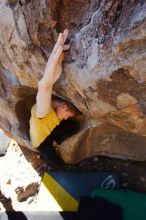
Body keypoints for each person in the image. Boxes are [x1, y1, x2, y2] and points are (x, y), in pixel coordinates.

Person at [29, 29, 80, 168]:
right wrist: (57, 51)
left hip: (50, 129)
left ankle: (56, 140)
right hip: (41, 140)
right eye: (66, 115)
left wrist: (58, 59)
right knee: (57, 164)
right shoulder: (43, 111)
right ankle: (49, 155)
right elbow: (44, 84)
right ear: (63, 107)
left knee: (75, 125)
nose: (65, 118)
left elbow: (51, 78)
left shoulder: (56, 105)